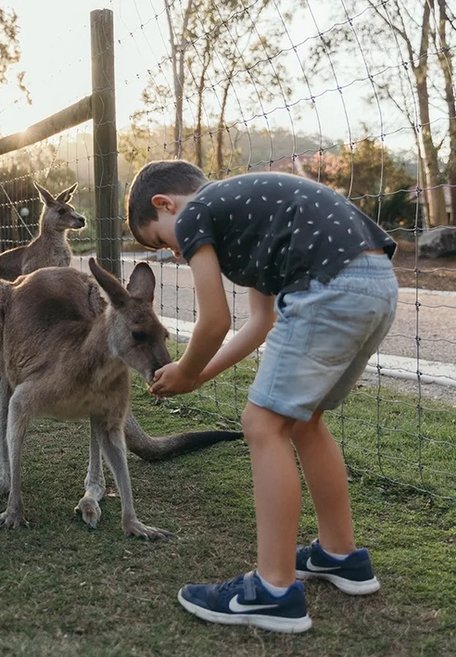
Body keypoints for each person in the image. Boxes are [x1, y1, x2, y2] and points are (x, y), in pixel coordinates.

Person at [127, 160, 397, 633]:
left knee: (262, 424)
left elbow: (214, 320)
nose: (173, 253)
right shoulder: (247, 217)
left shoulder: (196, 214)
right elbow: (260, 323)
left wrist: (187, 370)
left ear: (165, 205)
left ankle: (273, 591)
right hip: (374, 282)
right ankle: (341, 554)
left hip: (329, 287)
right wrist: (196, 376)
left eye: (161, 241)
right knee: (305, 419)